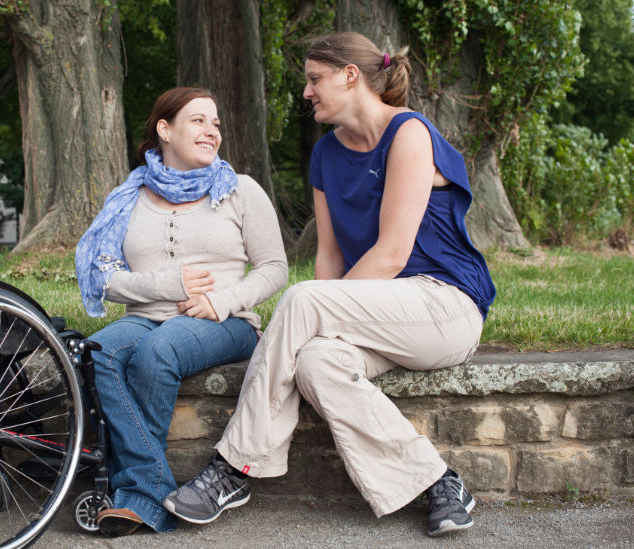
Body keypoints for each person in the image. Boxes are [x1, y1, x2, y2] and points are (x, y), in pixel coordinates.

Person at [163, 32, 496, 537]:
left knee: (302, 300)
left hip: (444, 307)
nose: (306, 92)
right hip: (381, 316)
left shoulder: (409, 134)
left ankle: (234, 467)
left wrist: (319, 308)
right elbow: (329, 260)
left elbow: (390, 256)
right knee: (316, 362)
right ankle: (439, 483)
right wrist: (313, 330)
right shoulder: (324, 157)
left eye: (314, 79)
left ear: (350, 75)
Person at [75, 87, 288, 537]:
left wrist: (221, 301)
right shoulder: (128, 198)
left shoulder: (240, 190)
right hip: (143, 315)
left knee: (158, 349)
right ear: (164, 130)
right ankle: (151, 488)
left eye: (215, 123)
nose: (211, 131)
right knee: (93, 353)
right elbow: (105, 275)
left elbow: (274, 269)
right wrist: (164, 285)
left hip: (225, 322)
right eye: (198, 121)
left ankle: (137, 497)